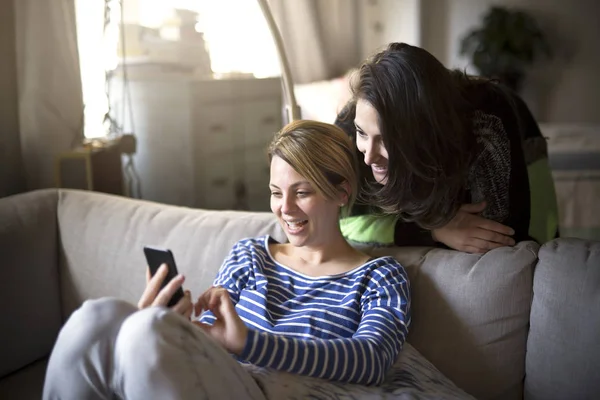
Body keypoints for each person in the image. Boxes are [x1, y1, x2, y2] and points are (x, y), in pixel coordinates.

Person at [42, 120, 411, 399]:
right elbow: (208, 330)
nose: (285, 209)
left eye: (303, 192)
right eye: (276, 192)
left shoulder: (380, 277)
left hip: (273, 393)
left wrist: (251, 344)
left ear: (342, 191)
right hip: (219, 380)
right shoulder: (249, 255)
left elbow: (373, 359)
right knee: (98, 317)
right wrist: (176, 324)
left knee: (143, 332)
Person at [335, 42, 559, 253]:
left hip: (513, 132)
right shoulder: (347, 129)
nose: (369, 157)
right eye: (362, 133)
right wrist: (433, 229)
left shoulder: (488, 122)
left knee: (534, 243)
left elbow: (503, 238)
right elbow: (340, 224)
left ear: (424, 134)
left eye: (387, 140)